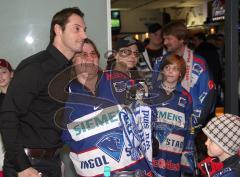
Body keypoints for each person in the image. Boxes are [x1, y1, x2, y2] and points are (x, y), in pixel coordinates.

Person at [0, 7, 87, 177]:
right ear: (58, 30)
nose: (83, 35)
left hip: (52, 162)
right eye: (77, 29)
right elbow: (8, 115)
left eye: (84, 30)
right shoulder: (36, 67)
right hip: (27, 166)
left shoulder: (68, 70)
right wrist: (22, 166)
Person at [62, 37, 152, 177]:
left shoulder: (119, 82)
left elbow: (148, 117)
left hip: (135, 171)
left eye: (93, 54)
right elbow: (54, 139)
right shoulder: (64, 99)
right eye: (83, 54)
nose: (90, 58)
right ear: (72, 61)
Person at [154, 22, 215, 130]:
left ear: (181, 39)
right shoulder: (160, 62)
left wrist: (190, 127)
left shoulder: (199, 64)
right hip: (161, 125)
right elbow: (153, 91)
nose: (165, 42)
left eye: (168, 38)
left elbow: (207, 98)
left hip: (188, 127)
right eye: (164, 39)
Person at [151, 54, 194, 177]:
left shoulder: (186, 97)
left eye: (175, 69)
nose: (170, 72)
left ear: (181, 73)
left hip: (174, 154)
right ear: (162, 70)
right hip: (154, 151)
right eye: (167, 68)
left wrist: (186, 156)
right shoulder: (151, 92)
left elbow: (189, 129)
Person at [0, 59, 13, 177]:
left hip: (33, 157)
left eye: (3, 72)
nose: (0, 76)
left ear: (11, 73)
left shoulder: (25, 97)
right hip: (8, 158)